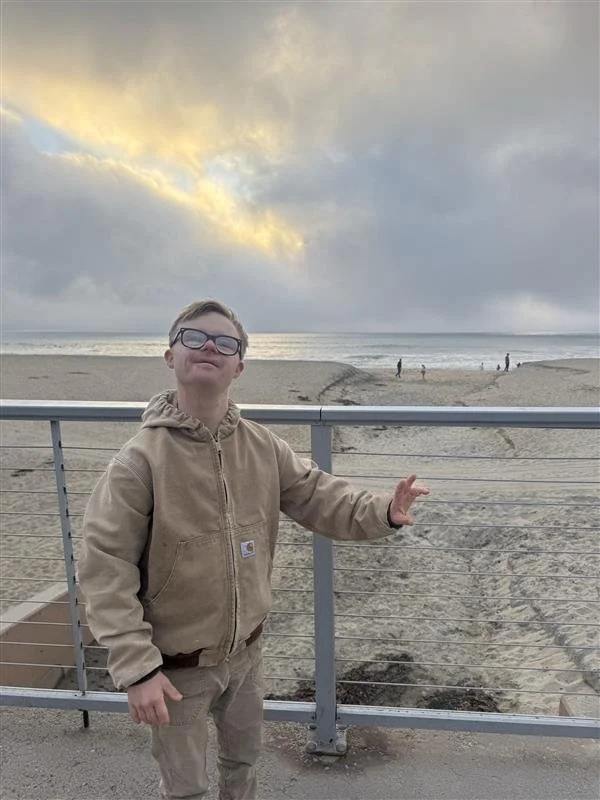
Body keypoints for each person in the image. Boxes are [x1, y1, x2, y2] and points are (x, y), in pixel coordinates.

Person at [78, 299, 430, 800]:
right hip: (176, 666)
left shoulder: (263, 447)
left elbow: (317, 494)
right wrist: (137, 669)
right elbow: (105, 568)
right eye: (194, 338)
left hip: (246, 653)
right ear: (170, 355)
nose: (209, 349)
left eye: (225, 343)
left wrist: (383, 511)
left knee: (243, 763)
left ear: (238, 365)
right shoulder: (139, 462)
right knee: (186, 787)